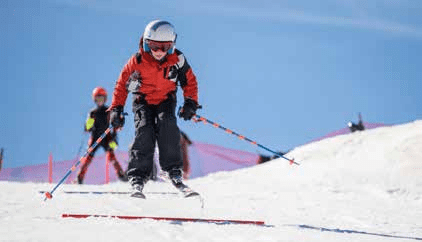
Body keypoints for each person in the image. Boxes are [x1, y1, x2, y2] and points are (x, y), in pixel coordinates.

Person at [108, 20, 199, 197]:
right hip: (143, 101)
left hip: (165, 100)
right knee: (144, 131)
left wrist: (190, 103)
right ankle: (138, 177)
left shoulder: (177, 60)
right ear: (146, 43)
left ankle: (172, 170)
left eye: (165, 47)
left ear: (172, 46)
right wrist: (116, 109)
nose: (159, 52)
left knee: (168, 126)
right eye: (155, 46)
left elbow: (190, 81)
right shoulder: (137, 61)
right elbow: (121, 85)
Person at [76, 87, 127, 184]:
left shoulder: (109, 111)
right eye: (98, 99)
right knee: (88, 157)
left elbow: (114, 125)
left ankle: (121, 175)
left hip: (107, 137)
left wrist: (117, 127)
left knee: (112, 156)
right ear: (95, 100)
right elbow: (88, 128)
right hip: (95, 137)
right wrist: (89, 124)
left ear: (105, 99)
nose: (100, 101)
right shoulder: (93, 113)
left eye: (102, 99)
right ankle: (80, 177)